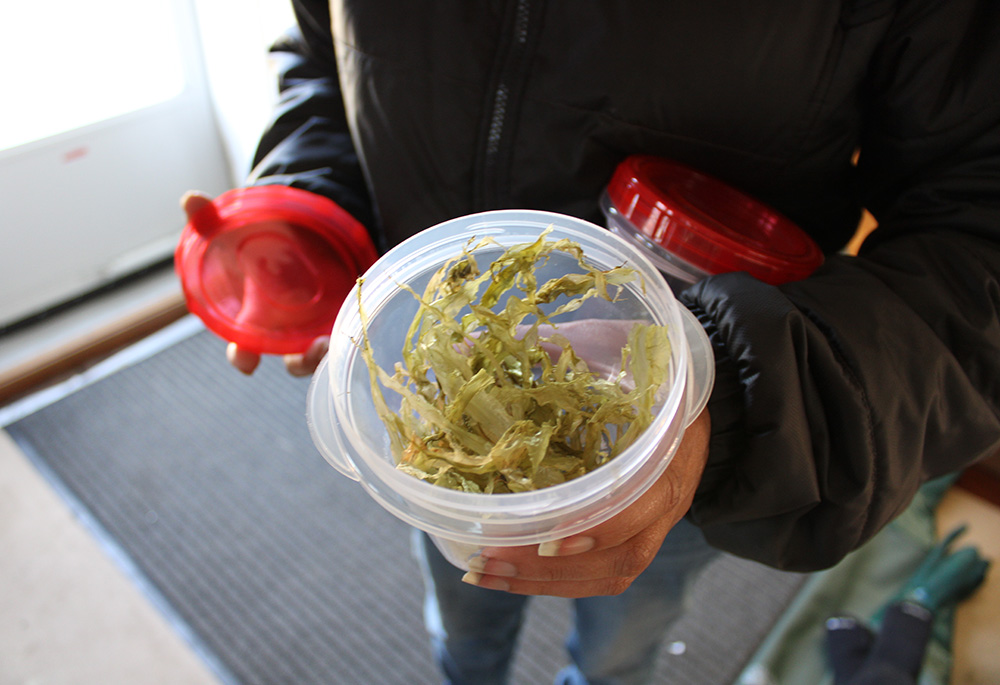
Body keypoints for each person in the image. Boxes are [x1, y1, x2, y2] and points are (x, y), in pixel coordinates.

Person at [184, 2, 1000, 683]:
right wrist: (312, 196)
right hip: (435, 427)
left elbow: (978, 222)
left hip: (687, 439)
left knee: (622, 636)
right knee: (466, 599)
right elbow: (322, 48)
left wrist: (743, 401)